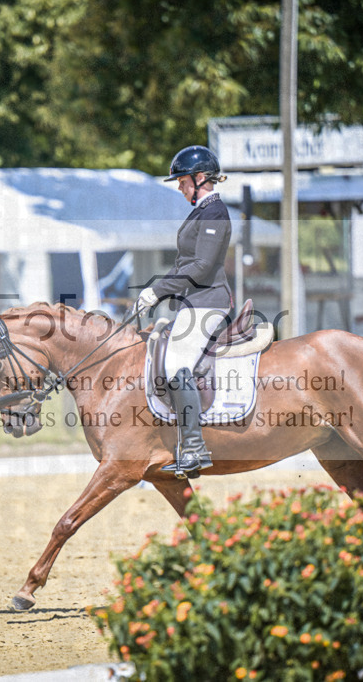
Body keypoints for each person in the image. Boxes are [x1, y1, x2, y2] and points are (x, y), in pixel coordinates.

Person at [137, 145, 233, 478]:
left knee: (176, 363)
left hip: (208, 301)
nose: (179, 187)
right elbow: (186, 264)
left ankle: (193, 448)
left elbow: (202, 265)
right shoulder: (201, 212)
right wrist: (159, 291)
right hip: (193, 303)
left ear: (201, 177)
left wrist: (158, 290)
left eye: (182, 181)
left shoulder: (214, 212)